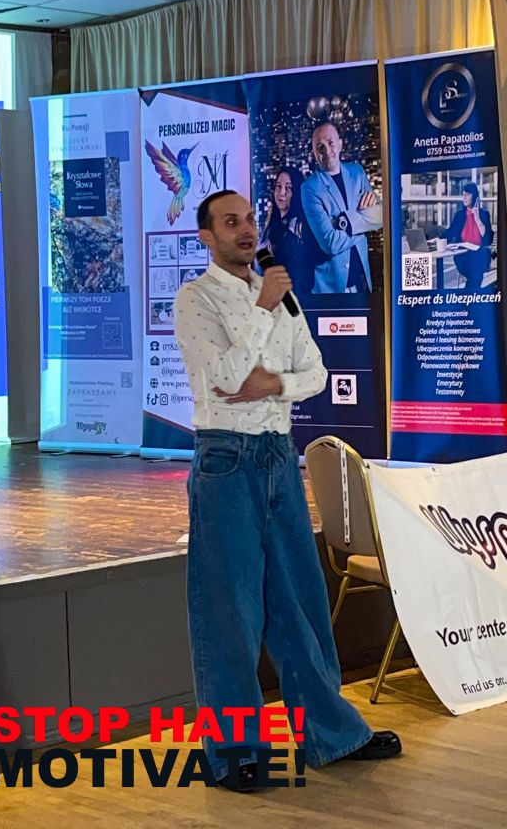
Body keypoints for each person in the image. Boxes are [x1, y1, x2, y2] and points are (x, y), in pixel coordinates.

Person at [174, 189, 401, 793]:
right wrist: (262, 310)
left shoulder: (278, 296)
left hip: (279, 453)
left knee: (301, 601)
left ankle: (331, 733)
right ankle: (233, 753)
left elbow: (316, 372)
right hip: (226, 459)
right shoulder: (196, 299)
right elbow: (226, 378)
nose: (246, 229)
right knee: (230, 608)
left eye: (249, 218)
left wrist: (274, 383)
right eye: (231, 222)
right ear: (207, 237)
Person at [301, 123, 382, 294]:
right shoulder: (309, 188)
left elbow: (381, 216)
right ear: (314, 153)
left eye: (330, 143)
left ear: (340, 144)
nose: (326, 150)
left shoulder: (357, 172)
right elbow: (330, 243)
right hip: (332, 288)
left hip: (362, 280)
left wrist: (344, 223)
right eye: (320, 147)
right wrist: (365, 222)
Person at [256, 166, 313, 295]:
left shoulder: (300, 228)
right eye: (278, 186)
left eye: (288, 188)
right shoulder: (270, 225)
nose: (282, 193)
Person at [444, 181, 493, 290]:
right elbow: (450, 233)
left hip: (479, 254)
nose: (464, 197)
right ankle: (470, 295)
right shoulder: (459, 215)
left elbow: (488, 239)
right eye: (463, 195)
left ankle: (467, 294)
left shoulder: (484, 215)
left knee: (476, 273)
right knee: (476, 276)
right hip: (463, 255)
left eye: (467, 194)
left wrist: (477, 219)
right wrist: (437, 240)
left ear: (474, 196)